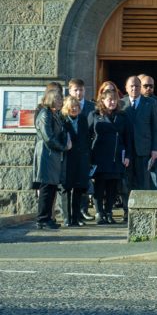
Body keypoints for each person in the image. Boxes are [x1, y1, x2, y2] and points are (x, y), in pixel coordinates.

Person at [89, 89, 132, 224]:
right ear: (102, 101)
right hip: (99, 156)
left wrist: (128, 156)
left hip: (117, 156)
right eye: (109, 100)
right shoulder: (94, 114)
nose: (112, 102)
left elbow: (128, 138)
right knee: (99, 186)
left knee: (113, 187)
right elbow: (87, 135)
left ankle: (108, 212)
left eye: (114, 100)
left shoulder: (123, 116)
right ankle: (99, 212)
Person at [32, 88, 72, 230]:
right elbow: (48, 137)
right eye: (59, 99)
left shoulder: (54, 115)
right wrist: (63, 147)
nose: (61, 101)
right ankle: (42, 219)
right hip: (46, 154)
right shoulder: (45, 114)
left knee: (52, 187)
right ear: (51, 99)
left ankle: (48, 217)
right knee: (46, 188)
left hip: (52, 155)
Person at [120, 76, 157, 191]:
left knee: (143, 181)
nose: (134, 88)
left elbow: (155, 128)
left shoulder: (150, 103)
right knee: (127, 181)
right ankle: (127, 208)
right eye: (131, 86)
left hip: (144, 149)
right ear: (126, 88)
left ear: (140, 87)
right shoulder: (121, 103)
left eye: (137, 86)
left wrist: (155, 148)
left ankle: (142, 208)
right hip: (126, 150)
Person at [58, 96, 90, 227]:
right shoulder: (62, 121)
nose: (75, 108)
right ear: (66, 108)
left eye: (76, 106)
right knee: (66, 189)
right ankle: (67, 218)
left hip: (81, 159)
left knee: (78, 189)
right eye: (72, 107)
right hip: (66, 159)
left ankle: (76, 218)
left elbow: (87, 139)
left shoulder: (83, 119)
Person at [68, 78, 97, 222]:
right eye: (75, 90)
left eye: (81, 90)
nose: (79, 93)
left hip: (87, 149)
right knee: (71, 184)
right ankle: (70, 214)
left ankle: (84, 210)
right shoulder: (66, 107)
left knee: (84, 181)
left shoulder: (92, 106)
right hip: (71, 152)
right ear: (70, 91)